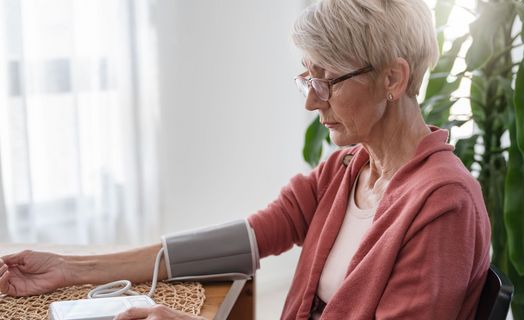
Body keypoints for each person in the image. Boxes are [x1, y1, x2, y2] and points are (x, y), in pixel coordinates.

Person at [0, 0, 491, 319]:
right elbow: (248, 239)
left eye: (327, 81)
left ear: (393, 79)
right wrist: (71, 268)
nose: (310, 101)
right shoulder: (349, 170)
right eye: (307, 78)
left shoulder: (443, 205)